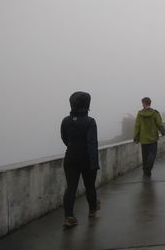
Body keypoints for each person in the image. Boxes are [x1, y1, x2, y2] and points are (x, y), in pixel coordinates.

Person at [60, 91, 100, 228]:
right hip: (87, 159)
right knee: (90, 187)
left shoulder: (66, 121)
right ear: (87, 105)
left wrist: (73, 148)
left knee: (71, 188)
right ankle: (92, 210)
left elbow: (65, 139)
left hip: (70, 158)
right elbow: (92, 143)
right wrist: (94, 163)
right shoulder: (90, 122)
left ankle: (69, 217)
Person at [133, 97, 165, 177]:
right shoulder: (155, 113)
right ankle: (149, 166)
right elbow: (159, 124)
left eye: (142, 103)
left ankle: (145, 172)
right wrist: (163, 132)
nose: (142, 105)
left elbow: (137, 126)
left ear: (144, 103)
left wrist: (136, 137)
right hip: (153, 139)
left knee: (145, 156)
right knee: (152, 154)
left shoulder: (140, 114)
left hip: (143, 139)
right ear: (150, 103)